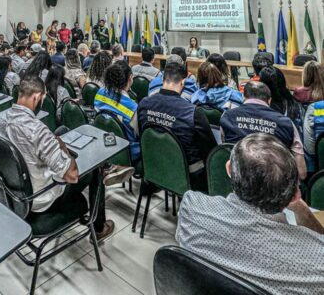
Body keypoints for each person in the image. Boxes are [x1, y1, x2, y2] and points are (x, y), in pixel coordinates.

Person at [176, 133, 324, 295]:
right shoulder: (317, 267)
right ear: (295, 195)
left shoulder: (190, 209)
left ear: (229, 169)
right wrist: (300, 206)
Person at [0, 76, 114, 240]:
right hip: (41, 198)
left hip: (13, 191)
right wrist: (64, 150)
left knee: (62, 130)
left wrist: (53, 143)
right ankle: (99, 227)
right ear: (36, 97)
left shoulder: (0, 122)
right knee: (95, 169)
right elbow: (71, 175)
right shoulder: (37, 130)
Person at [133, 62, 216, 190]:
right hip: (187, 176)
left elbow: (140, 136)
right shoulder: (192, 112)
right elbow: (211, 150)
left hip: (152, 167)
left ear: (163, 79)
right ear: (183, 82)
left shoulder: (144, 103)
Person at [221, 81, 306, 180]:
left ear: (243, 97)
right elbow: (301, 172)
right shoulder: (286, 123)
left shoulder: (227, 117)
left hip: (237, 180)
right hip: (275, 186)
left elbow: (224, 148)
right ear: (269, 101)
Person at [94, 61, 140, 164]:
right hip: (125, 152)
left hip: (102, 144)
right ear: (130, 78)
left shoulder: (100, 93)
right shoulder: (133, 108)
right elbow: (139, 134)